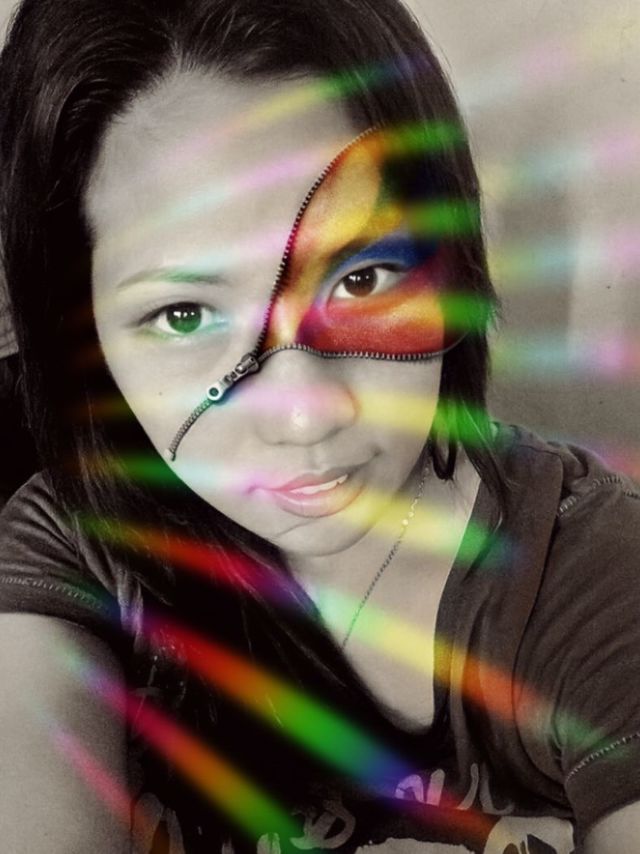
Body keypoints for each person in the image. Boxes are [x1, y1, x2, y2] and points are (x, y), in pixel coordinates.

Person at [0, 1, 639, 852]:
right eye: (185, 314)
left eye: (363, 277)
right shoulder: (77, 547)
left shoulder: (596, 581)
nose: (305, 412)